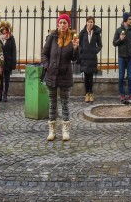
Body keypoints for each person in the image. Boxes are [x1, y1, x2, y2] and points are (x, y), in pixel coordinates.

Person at [42, 13, 80, 142]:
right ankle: (52, 130)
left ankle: (65, 130)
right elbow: (44, 53)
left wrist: (76, 49)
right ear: (58, 24)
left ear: (68, 25)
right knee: (52, 104)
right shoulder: (52, 37)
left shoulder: (72, 38)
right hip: (51, 75)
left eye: (65, 23)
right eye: (61, 23)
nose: (62, 25)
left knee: (65, 103)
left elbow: (74, 59)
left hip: (65, 75)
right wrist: (46, 66)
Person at [113, 12, 131, 102]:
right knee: (121, 76)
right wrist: (120, 39)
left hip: (130, 57)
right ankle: (122, 94)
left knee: (130, 77)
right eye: (129, 19)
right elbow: (114, 43)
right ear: (125, 20)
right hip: (121, 57)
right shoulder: (118, 30)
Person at [78, 16, 102, 103]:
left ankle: (91, 93)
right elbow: (78, 43)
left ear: (93, 23)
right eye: (88, 22)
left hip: (92, 58)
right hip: (84, 58)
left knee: (91, 77)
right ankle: (86, 94)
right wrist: (81, 50)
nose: (90, 23)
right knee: (85, 77)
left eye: (91, 22)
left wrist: (95, 50)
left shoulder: (96, 33)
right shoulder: (82, 33)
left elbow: (100, 45)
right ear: (86, 23)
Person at [0, 21, 16, 102]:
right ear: (0, 30)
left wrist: (13, 64)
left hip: (8, 62)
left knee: (7, 79)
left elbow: (14, 51)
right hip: (0, 63)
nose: (4, 31)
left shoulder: (11, 38)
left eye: (6, 29)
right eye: (3, 29)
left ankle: (5, 94)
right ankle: (0, 94)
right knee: (0, 79)